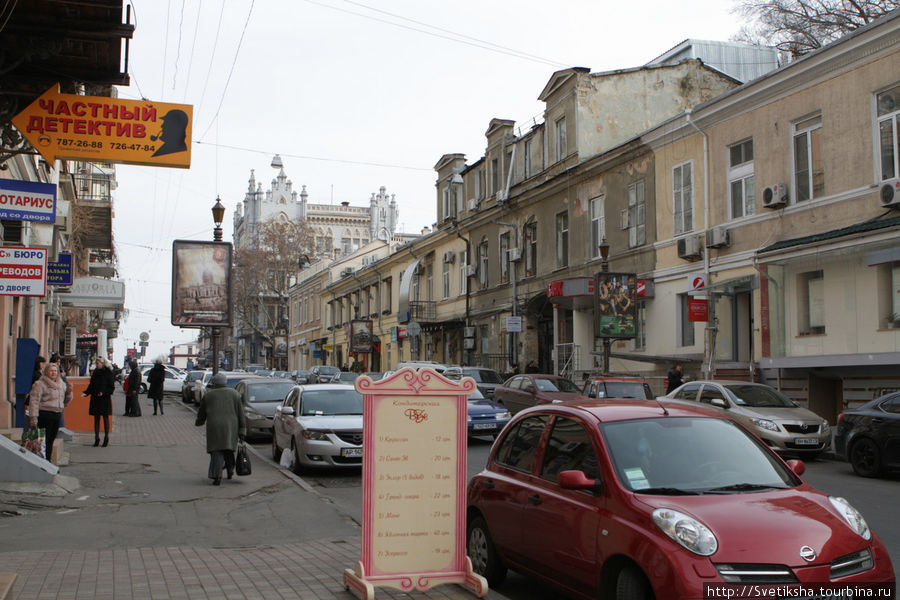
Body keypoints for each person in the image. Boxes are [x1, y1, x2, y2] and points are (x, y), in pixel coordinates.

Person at [195, 373, 246, 485]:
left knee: (217, 451)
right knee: (228, 449)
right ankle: (230, 470)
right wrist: (242, 430)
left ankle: (216, 476)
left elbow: (202, 412)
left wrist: (199, 422)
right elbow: (240, 414)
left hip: (214, 427)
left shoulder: (209, 395)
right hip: (231, 427)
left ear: (214, 383)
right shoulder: (235, 394)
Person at [28, 362, 73, 462]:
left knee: (51, 440)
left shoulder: (61, 384)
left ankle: (48, 460)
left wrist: (69, 392)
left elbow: (65, 401)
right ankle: (41, 461)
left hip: (57, 414)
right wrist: (33, 417)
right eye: (51, 371)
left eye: (55, 371)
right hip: (45, 414)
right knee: (43, 440)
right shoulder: (40, 384)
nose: (53, 373)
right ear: (46, 372)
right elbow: (34, 401)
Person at [83, 357, 115, 446]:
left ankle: (106, 438)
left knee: (105, 418)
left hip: (105, 399)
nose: (96, 365)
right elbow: (91, 385)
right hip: (95, 398)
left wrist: (103, 392)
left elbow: (111, 387)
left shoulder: (108, 373)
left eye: (98, 363)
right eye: (96, 363)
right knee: (96, 419)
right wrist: (86, 393)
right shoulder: (95, 373)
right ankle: (96, 438)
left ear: (102, 363)